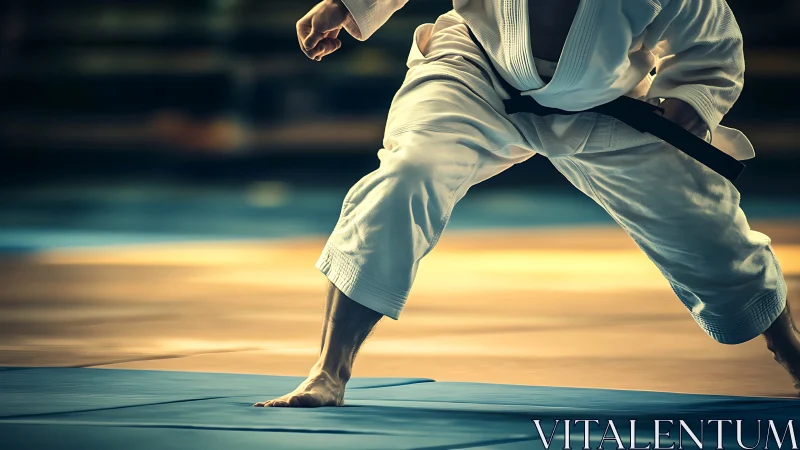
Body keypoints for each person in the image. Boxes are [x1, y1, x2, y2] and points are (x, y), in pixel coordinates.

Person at [255, 0, 799, 407]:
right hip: (474, 72)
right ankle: (329, 372)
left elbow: (712, 44)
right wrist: (345, 4)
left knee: (703, 225)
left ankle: (788, 346)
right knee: (408, 173)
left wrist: (688, 101)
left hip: (601, 101)